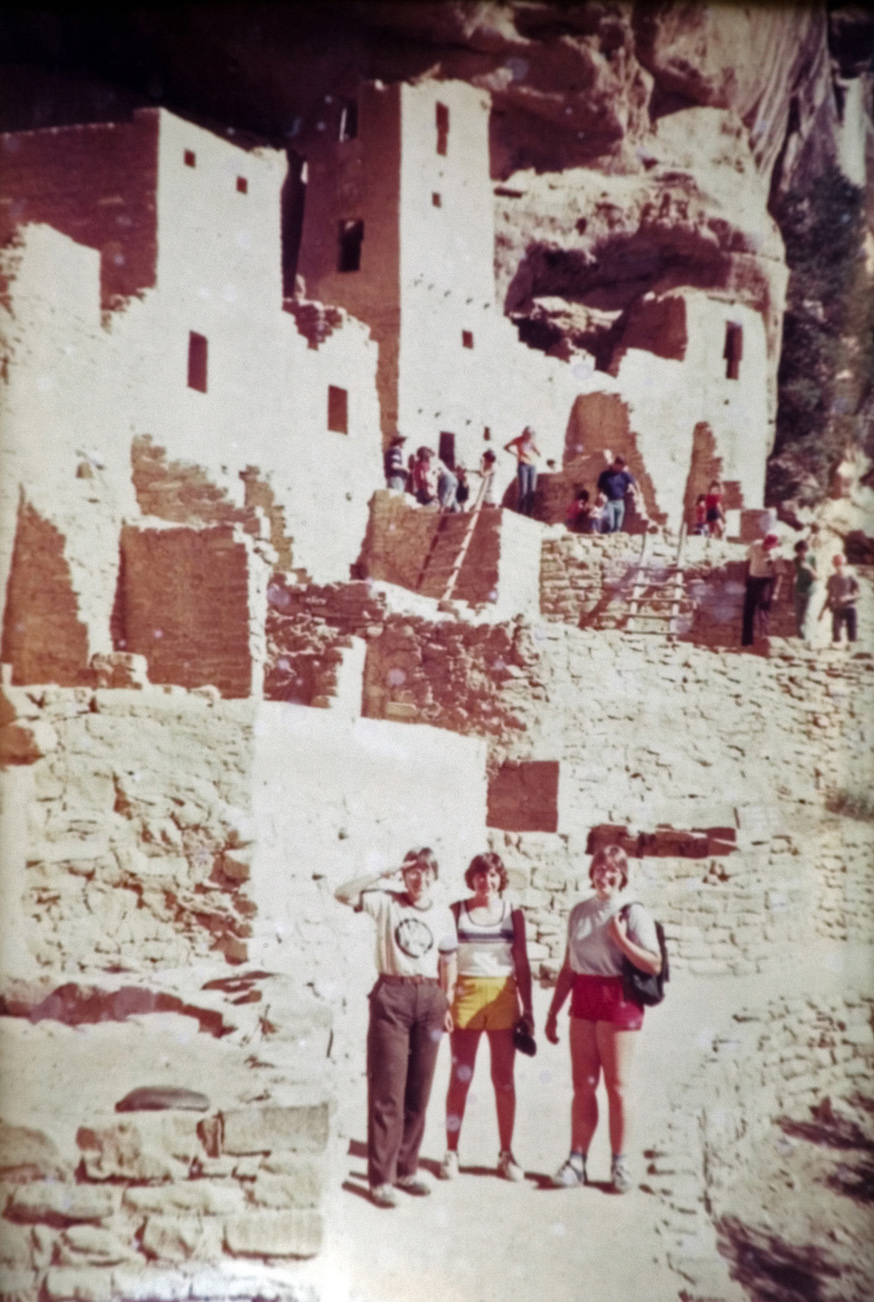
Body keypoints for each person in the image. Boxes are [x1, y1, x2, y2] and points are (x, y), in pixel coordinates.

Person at [334, 848, 458, 1208]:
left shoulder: (443, 914)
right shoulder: (386, 902)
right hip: (393, 995)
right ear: (404, 876)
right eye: (412, 872)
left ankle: (406, 1169)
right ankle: (381, 1179)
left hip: (430, 999)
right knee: (388, 1090)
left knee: (420, 1090)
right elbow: (342, 893)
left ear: (435, 876)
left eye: (426, 872)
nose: (419, 879)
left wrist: (446, 1000)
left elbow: (449, 960)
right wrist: (383, 871)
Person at [545, 845, 661, 1194]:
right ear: (591, 872)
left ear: (622, 875)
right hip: (584, 997)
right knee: (583, 1085)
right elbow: (569, 967)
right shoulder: (579, 912)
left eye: (612, 870)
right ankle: (576, 1161)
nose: (605, 874)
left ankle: (620, 1163)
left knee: (617, 1085)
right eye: (599, 868)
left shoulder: (633, 912)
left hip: (618, 999)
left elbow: (653, 963)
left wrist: (620, 939)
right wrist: (552, 1012)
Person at [438, 852, 533, 1183]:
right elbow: (446, 960)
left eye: (493, 875)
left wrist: (529, 1010)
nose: (487, 881)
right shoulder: (456, 911)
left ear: (500, 878)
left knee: (503, 1079)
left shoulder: (513, 914)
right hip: (465, 996)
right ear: (472, 878)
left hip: (503, 997)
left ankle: (506, 1154)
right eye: (481, 875)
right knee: (460, 1077)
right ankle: (451, 1152)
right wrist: (445, 1002)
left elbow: (522, 963)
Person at [741, 533, 781, 647]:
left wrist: (776, 591)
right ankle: (747, 641)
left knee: (763, 609)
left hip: (765, 581)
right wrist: (745, 579)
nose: (771, 547)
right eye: (769, 545)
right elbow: (747, 561)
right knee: (749, 609)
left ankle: (764, 639)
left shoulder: (777, 553)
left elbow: (780, 573)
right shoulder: (755, 545)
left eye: (773, 545)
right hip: (752, 578)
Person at [818, 552, 860, 645]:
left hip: (849, 607)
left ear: (844, 564)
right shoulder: (832, 578)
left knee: (852, 634)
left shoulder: (850, 577)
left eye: (840, 564)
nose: (838, 566)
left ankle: (852, 648)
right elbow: (829, 596)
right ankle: (836, 649)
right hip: (837, 609)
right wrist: (822, 611)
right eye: (836, 564)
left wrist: (847, 597)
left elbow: (858, 594)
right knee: (836, 634)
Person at [504, 427, 541, 517]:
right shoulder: (518, 440)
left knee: (531, 491)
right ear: (524, 433)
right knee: (523, 491)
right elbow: (506, 447)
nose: (529, 436)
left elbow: (538, 453)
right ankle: (519, 513)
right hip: (523, 465)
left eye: (531, 434)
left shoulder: (532, 441)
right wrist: (515, 454)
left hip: (532, 466)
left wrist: (534, 448)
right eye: (527, 434)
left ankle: (528, 514)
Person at [596, 456, 638, 533]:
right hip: (609, 502)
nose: (621, 468)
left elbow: (633, 481)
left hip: (620, 502)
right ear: (615, 464)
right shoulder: (605, 475)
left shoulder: (624, 475)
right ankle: (607, 537)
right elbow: (599, 487)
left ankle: (615, 539)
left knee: (618, 526)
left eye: (623, 467)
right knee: (610, 524)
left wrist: (631, 486)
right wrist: (600, 495)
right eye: (620, 466)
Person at [792, 539, 817, 639]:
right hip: (798, 590)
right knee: (798, 615)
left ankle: (806, 636)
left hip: (809, 591)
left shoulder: (812, 559)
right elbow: (795, 573)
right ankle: (800, 636)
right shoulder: (796, 560)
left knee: (806, 615)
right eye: (799, 552)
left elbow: (816, 577)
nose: (801, 554)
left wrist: (809, 568)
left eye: (802, 552)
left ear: (806, 550)